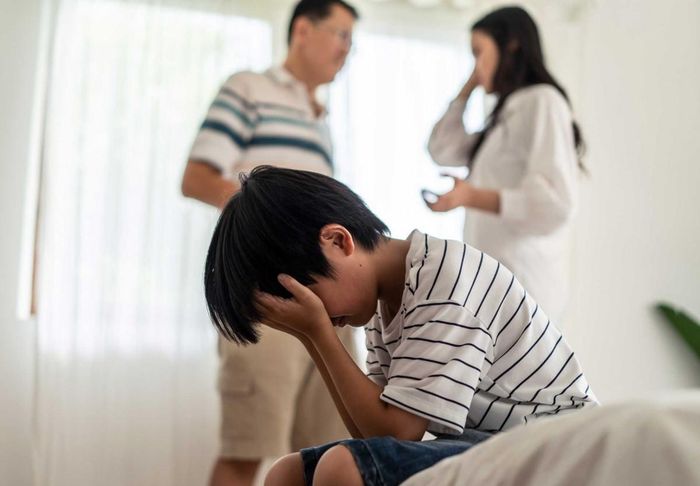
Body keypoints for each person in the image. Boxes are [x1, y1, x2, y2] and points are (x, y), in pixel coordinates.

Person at [204, 166, 598, 486]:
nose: (322, 316)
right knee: (286, 474)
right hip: (493, 441)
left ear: (338, 241)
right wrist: (310, 334)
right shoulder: (386, 306)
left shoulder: (445, 279)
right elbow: (370, 435)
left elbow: (397, 432)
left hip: (554, 444)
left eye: (312, 298)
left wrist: (318, 333)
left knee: (342, 468)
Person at [180, 2, 359, 485]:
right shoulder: (249, 88)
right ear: (303, 30)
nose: (347, 50)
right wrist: (275, 222)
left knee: (329, 458)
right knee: (248, 450)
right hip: (264, 295)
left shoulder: (320, 118)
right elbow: (196, 178)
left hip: (329, 303)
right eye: (341, 35)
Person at [426, 6, 585, 321]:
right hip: (495, 293)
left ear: (511, 45)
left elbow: (557, 204)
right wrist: (468, 86)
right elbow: (442, 148)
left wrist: (472, 197)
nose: (476, 66)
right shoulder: (506, 112)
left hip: (523, 292)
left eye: (479, 53)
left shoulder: (542, 101)